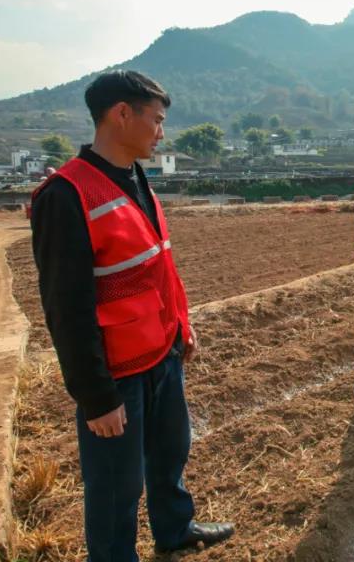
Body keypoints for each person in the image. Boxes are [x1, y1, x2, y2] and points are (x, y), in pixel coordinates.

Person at [30, 70, 234, 561]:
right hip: (116, 374)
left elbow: (157, 264)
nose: (161, 132)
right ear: (121, 114)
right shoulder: (66, 195)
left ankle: (176, 529)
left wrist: (181, 325)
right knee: (117, 486)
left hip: (161, 354)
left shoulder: (137, 177)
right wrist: (96, 397)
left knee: (169, 456)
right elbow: (66, 308)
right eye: (156, 120)